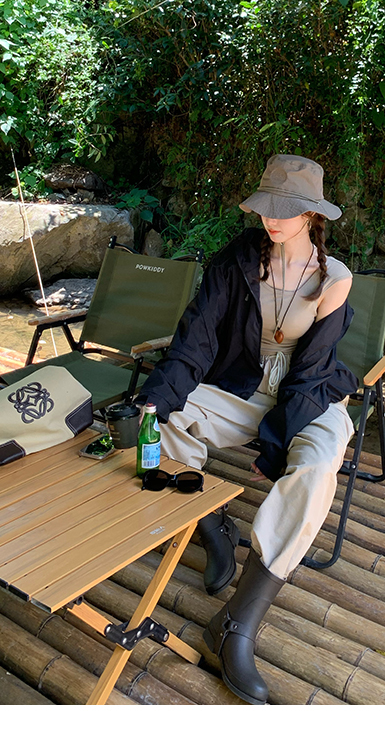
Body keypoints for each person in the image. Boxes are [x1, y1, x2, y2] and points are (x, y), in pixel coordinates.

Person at [135, 154, 356, 704]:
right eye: (266, 208)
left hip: (307, 395)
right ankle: (211, 524)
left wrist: (277, 442)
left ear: (312, 213)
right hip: (238, 383)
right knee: (165, 421)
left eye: (285, 210)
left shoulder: (334, 279)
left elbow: (311, 372)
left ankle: (236, 623)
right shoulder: (236, 262)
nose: (271, 219)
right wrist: (156, 401)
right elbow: (196, 340)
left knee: (317, 466)